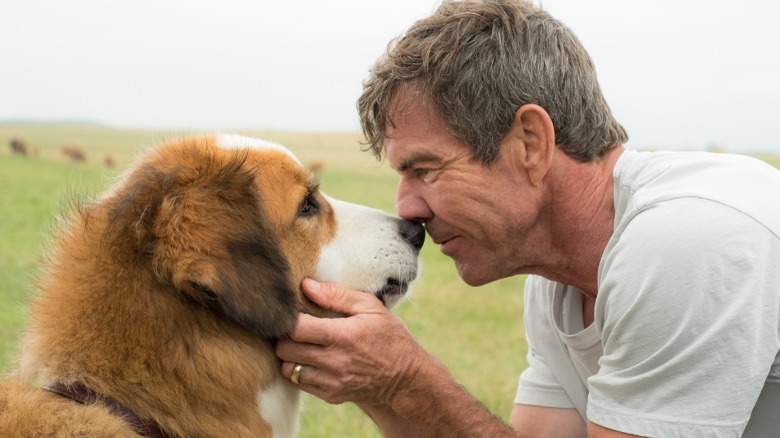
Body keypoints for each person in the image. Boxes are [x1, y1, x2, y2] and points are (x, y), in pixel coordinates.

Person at [276, 0, 780, 436]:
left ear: (531, 144)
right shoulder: (557, 284)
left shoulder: (685, 241)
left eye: (427, 169)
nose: (407, 207)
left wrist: (406, 378)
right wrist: (375, 381)